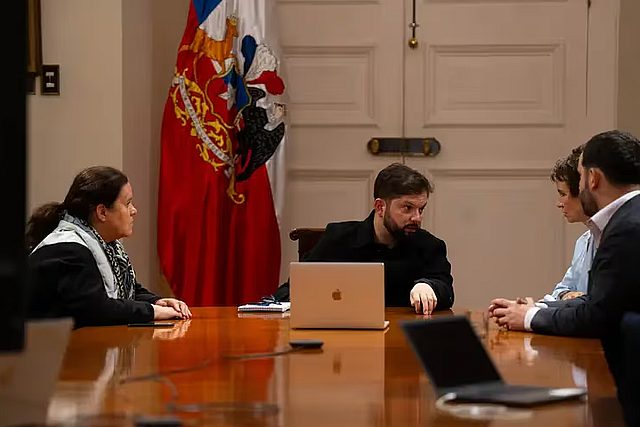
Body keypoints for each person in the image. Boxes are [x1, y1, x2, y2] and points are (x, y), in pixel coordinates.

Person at [489, 130, 640, 337]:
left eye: (580, 177)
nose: (579, 186)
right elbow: (600, 300)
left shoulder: (626, 229)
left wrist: (528, 318)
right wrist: (536, 310)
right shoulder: (627, 220)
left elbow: (598, 316)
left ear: (593, 178)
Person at [273, 163, 454, 314]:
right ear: (380, 207)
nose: (417, 218)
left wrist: (429, 286)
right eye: (407, 208)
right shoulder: (339, 238)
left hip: (403, 339)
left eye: (421, 209)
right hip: (341, 343)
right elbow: (291, 290)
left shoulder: (430, 245)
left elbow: (446, 290)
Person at [26, 166, 192, 327]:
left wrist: (156, 301)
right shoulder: (68, 250)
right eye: (128, 203)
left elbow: (130, 289)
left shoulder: (105, 245)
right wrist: (152, 311)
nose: (134, 211)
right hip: (47, 352)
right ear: (102, 212)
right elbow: (97, 309)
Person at [542, 146, 595, 302]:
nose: (559, 203)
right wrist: (566, 295)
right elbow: (562, 288)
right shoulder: (583, 241)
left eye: (563, 194)